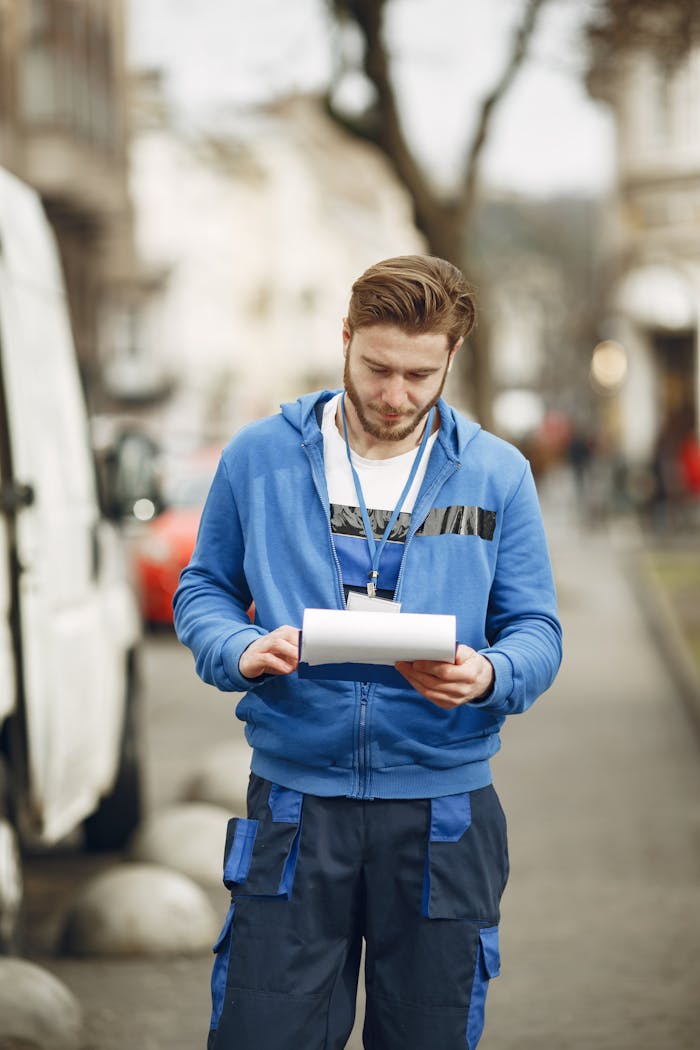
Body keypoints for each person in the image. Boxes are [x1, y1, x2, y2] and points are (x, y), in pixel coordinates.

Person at [173, 255, 562, 1050]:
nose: (394, 397)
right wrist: (238, 646)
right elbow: (202, 588)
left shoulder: (497, 473)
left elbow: (537, 631)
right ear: (345, 339)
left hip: (443, 815)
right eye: (376, 367)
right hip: (293, 804)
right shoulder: (259, 456)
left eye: (420, 376)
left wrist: (492, 673)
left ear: (452, 356)